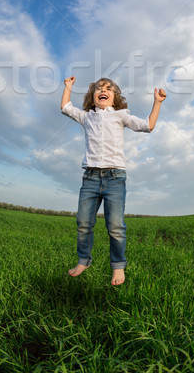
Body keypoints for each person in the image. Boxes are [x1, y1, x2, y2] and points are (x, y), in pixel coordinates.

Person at [61, 75, 166, 286]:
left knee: (115, 226)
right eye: (99, 88)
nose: (103, 90)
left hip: (115, 178)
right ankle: (84, 260)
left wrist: (157, 102)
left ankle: (118, 265)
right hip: (90, 178)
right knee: (83, 223)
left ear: (114, 98)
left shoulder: (121, 115)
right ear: (93, 97)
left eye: (108, 88)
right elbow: (65, 107)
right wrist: (68, 86)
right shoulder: (87, 117)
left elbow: (148, 125)